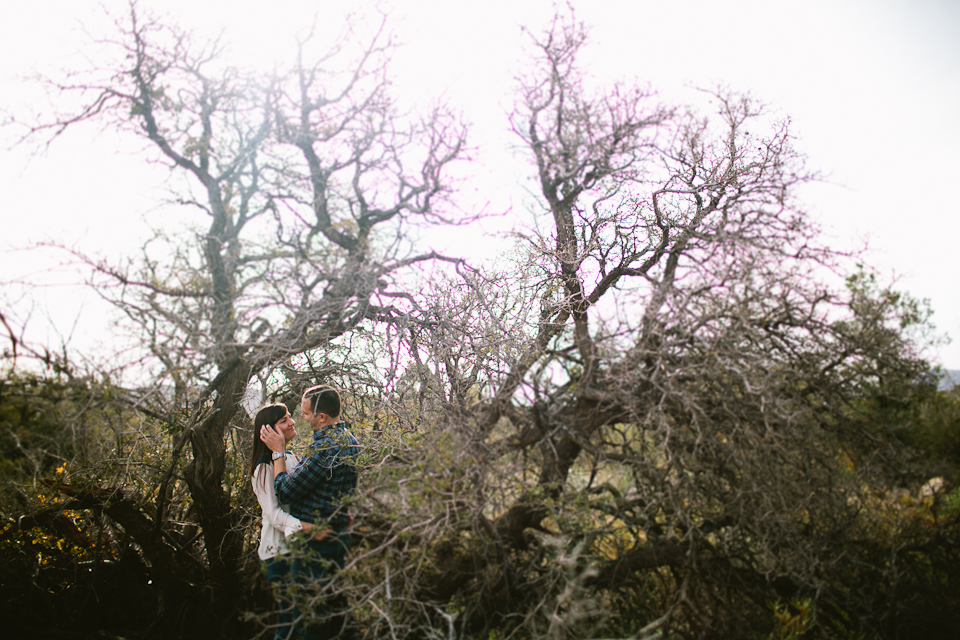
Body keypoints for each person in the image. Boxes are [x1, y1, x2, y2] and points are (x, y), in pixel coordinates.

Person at [259, 385, 360, 640]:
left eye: (304, 413)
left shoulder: (324, 449)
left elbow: (285, 492)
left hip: (317, 543)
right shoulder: (351, 440)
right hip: (337, 535)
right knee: (334, 610)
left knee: (309, 619)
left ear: (322, 417)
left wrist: (278, 453)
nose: (300, 418)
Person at [249, 403, 330, 640]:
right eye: (284, 420)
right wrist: (308, 528)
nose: (292, 422)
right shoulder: (263, 468)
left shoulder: (291, 458)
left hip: (299, 550)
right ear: (268, 432)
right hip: (278, 554)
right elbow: (274, 515)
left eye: (289, 417)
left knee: (303, 620)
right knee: (292, 623)